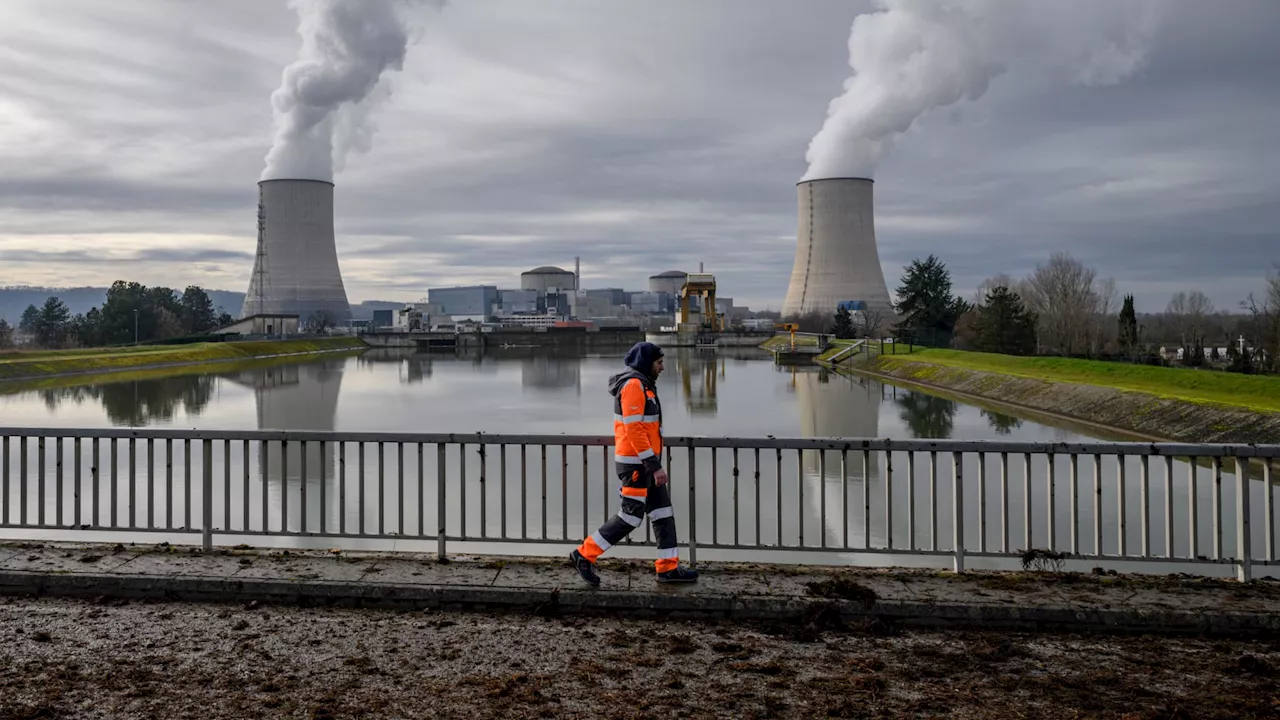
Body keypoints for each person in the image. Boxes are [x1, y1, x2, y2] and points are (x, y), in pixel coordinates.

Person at [569, 341, 699, 585]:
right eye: (659, 363)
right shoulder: (633, 386)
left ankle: (668, 568)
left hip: (646, 464)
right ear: (646, 363)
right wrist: (654, 465)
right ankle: (584, 554)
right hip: (637, 466)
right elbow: (633, 429)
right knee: (631, 516)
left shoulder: (645, 386)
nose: (662, 368)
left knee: (663, 514)